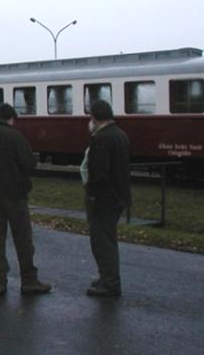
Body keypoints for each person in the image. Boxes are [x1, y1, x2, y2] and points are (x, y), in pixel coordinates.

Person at [0, 103, 51, 296]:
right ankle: (29, 280)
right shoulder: (15, 136)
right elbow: (29, 164)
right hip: (16, 195)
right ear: (10, 118)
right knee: (23, 239)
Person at [83, 99, 131, 297]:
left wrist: (92, 193)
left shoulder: (101, 138)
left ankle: (110, 283)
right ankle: (106, 276)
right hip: (118, 195)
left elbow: (99, 173)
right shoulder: (120, 134)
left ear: (94, 117)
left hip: (104, 199)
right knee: (107, 238)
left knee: (102, 241)